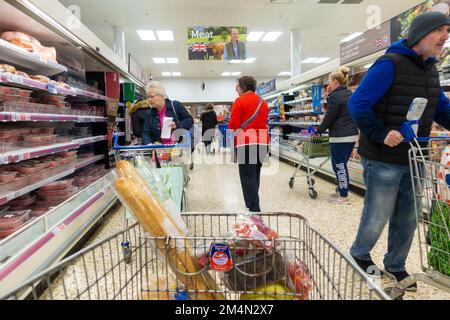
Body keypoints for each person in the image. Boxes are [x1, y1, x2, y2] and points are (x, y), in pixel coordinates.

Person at [348, 12, 450, 290]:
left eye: (447, 30)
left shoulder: (431, 69)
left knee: (409, 214)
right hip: (383, 156)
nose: (445, 36)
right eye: (439, 30)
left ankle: (395, 263)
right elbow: (357, 104)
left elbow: (439, 107)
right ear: (420, 33)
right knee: (378, 212)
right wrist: (381, 133)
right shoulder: (389, 64)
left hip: (415, 155)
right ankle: (359, 252)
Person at [316, 67, 359, 205]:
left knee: (339, 166)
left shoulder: (335, 97)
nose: (329, 85)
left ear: (335, 81)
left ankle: (344, 197)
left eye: (330, 82)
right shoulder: (350, 94)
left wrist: (318, 131)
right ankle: (341, 190)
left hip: (340, 136)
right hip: (351, 135)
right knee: (341, 165)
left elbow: (329, 118)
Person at [228, 76, 269, 213]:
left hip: (246, 142)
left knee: (247, 177)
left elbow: (233, 125)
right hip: (263, 141)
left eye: (237, 86)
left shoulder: (239, 101)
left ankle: (254, 209)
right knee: (255, 174)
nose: (235, 88)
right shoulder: (263, 102)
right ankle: (253, 203)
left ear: (244, 87)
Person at [142, 81, 194, 147]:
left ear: (161, 96)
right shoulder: (149, 113)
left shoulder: (175, 106)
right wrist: (149, 144)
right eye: (148, 97)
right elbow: (145, 132)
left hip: (178, 149)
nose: (149, 100)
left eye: (152, 97)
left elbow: (189, 120)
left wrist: (177, 125)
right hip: (159, 152)